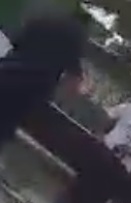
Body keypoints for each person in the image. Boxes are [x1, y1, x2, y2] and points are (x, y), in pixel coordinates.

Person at [0, 7, 89, 148]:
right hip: (32, 88)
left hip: (9, 71)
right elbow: (74, 76)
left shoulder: (43, 20)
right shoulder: (75, 38)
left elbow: (16, 42)